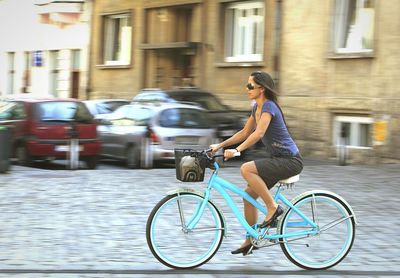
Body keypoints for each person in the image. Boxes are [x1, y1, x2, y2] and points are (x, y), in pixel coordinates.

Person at [210, 71, 303, 255]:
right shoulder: (256, 108)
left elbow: (259, 133)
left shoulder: (269, 107)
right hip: (278, 159)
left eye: (250, 86)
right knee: (248, 196)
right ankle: (250, 240)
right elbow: (244, 133)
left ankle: (273, 208)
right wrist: (220, 145)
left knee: (246, 169)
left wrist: (237, 151)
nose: (247, 89)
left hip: (290, 160)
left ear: (262, 89)